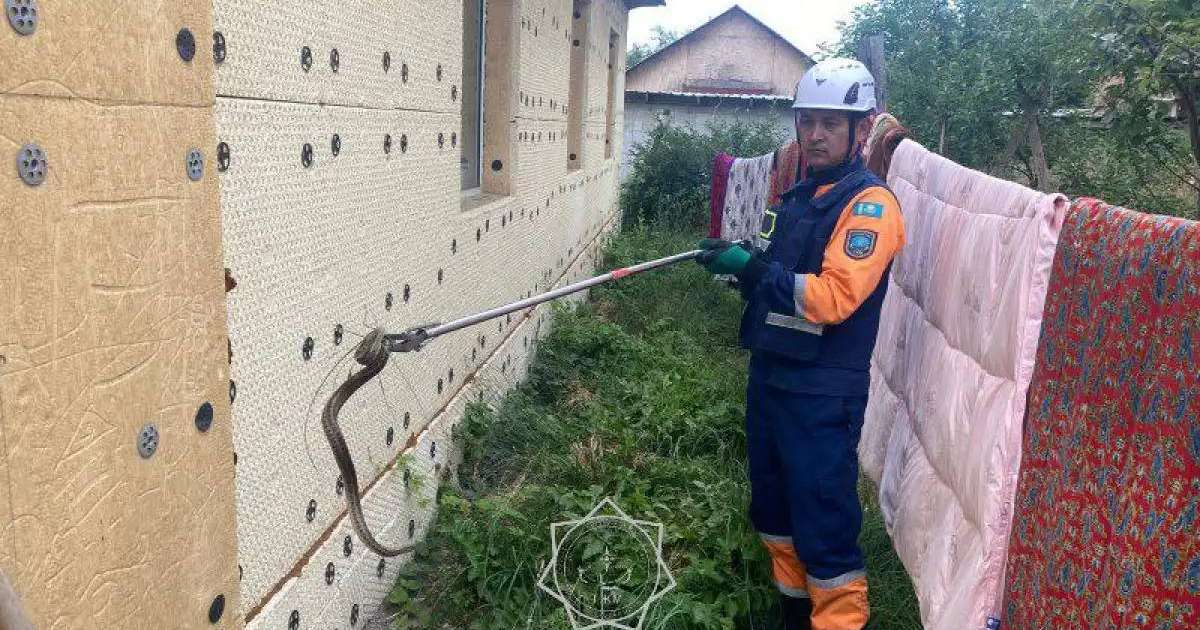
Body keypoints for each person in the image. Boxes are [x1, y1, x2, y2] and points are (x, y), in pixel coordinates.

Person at [695, 58, 905, 630]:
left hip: (822, 396)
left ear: (861, 132)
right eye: (806, 121)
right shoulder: (795, 198)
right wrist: (741, 269)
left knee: (824, 529)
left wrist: (759, 273)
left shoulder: (870, 206)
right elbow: (776, 279)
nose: (814, 135)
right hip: (771, 381)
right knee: (775, 514)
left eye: (830, 124)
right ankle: (793, 618)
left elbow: (833, 297)